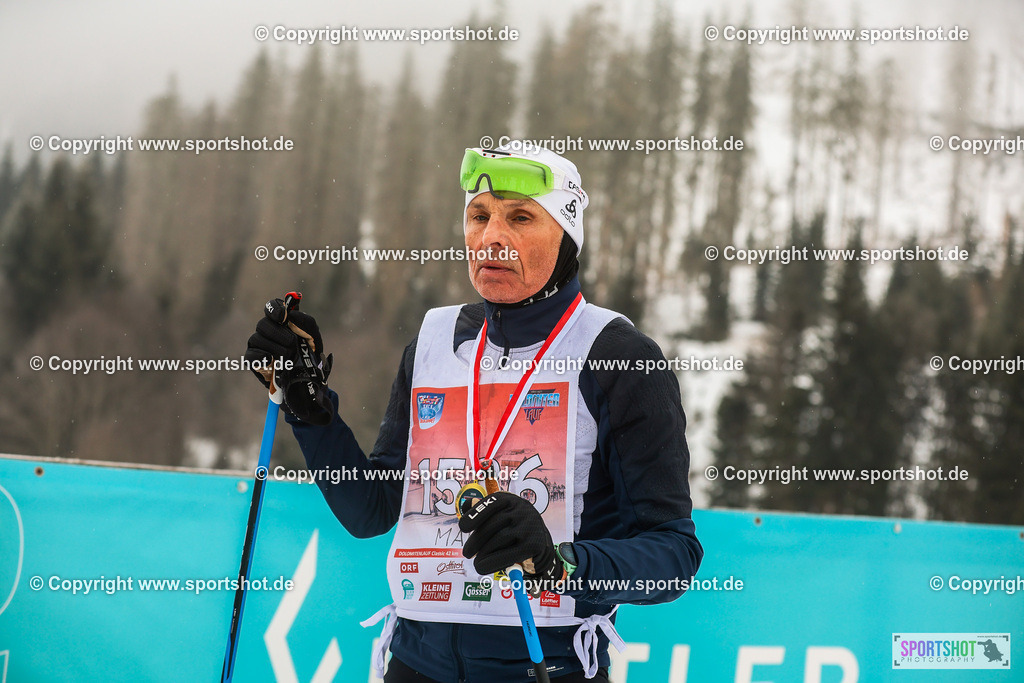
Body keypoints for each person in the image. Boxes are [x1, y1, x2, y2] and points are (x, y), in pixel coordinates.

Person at [245, 144, 703, 683]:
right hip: (416, 663)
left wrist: (558, 564)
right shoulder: (434, 342)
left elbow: (673, 555)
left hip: (544, 666)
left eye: (521, 217)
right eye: (479, 216)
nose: (491, 237)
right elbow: (370, 509)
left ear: (566, 235)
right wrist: (306, 404)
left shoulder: (617, 356)